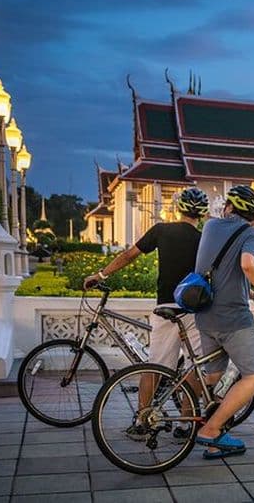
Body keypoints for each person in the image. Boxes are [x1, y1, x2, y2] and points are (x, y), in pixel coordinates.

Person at [83, 187, 209, 439]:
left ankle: (143, 420)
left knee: (156, 366)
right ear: (202, 214)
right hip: (194, 310)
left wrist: (100, 275)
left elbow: (130, 255)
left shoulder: (162, 230)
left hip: (166, 308)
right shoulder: (204, 238)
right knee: (197, 366)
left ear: (179, 208)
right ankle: (186, 423)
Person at [193, 185, 254, 459]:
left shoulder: (209, 227)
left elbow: (224, 271)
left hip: (204, 312)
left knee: (214, 378)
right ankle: (211, 429)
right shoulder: (253, 234)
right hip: (232, 316)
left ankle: (214, 439)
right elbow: (247, 265)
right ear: (253, 215)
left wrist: (252, 291)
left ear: (229, 207)